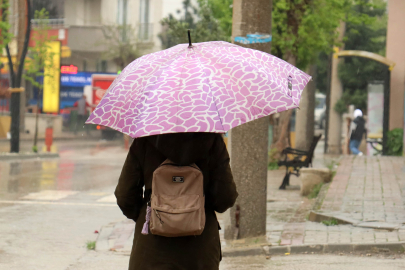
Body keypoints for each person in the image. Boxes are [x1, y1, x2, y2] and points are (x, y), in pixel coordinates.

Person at [115, 133, 238, 270]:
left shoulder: (144, 141)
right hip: (199, 250)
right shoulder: (212, 141)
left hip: (151, 251)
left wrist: (150, 214)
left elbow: (124, 195)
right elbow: (225, 197)